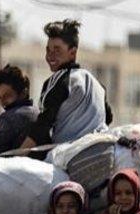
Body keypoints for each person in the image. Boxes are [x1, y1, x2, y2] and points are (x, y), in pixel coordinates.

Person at [20, 19, 113, 149]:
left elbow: (43, 126)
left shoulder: (59, 80)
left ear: (72, 52)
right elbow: (107, 118)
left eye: (57, 50)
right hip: (100, 150)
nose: (50, 56)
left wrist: (18, 153)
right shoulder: (96, 84)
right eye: (48, 50)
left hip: (68, 155)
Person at [0, 65, 39, 155]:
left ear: (23, 93)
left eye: (7, 96)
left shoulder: (9, 118)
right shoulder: (38, 113)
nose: (2, 102)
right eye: (0, 97)